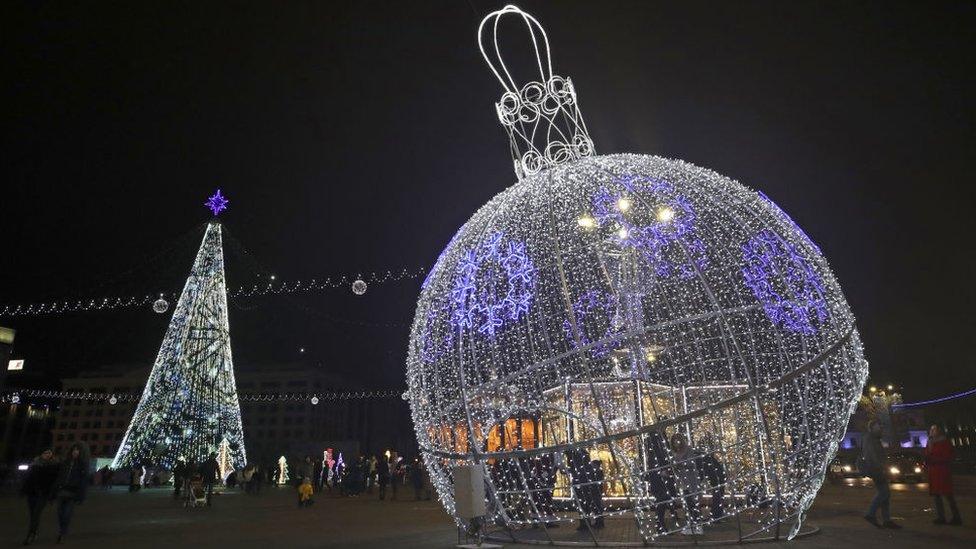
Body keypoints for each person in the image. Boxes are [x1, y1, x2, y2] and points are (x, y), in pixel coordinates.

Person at [861, 420, 900, 529]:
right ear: (872, 427)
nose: (881, 428)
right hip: (876, 469)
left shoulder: (875, 438)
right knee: (884, 492)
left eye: (881, 425)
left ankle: (886, 520)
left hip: (878, 468)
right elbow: (872, 455)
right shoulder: (870, 438)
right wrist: (880, 467)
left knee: (885, 494)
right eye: (878, 426)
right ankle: (870, 513)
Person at [20, 447, 60, 545]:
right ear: (41, 454)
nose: (47, 454)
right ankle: (34, 532)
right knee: (33, 515)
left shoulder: (54, 465)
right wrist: (23, 490)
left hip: (43, 494)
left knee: (35, 515)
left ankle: (30, 535)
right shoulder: (35, 464)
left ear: (52, 455)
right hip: (32, 493)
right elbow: (28, 479)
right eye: (45, 452)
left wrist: (52, 496)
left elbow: (54, 483)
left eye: (49, 452)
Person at [925, 424, 962, 525]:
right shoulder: (930, 442)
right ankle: (941, 517)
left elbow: (948, 456)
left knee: (948, 495)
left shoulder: (944, 442)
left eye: (934, 429)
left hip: (942, 472)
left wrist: (934, 460)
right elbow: (927, 454)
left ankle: (956, 517)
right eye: (931, 429)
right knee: (937, 496)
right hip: (934, 472)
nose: (932, 431)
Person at [54, 443, 90, 544]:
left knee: (67, 514)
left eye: (77, 450)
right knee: (60, 513)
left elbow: (84, 481)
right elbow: (59, 476)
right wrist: (55, 490)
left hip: (72, 493)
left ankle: (62, 532)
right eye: (74, 450)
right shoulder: (65, 462)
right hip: (61, 491)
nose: (75, 452)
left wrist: (81, 495)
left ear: (80, 452)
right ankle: (63, 529)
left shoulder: (82, 464)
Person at [670, 434, 702, 535]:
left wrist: (680, 464)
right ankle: (691, 524)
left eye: (678, 440)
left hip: (691, 479)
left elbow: (691, 462)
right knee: (688, 503)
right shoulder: (675, 452)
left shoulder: (688, 449)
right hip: (683, 481)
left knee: (693, 502)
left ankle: (697, 526)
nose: (676, 443)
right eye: (674, 441)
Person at [697, 437, 726, 521]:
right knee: (718, 491)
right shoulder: (707, 460)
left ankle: (716, 514)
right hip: (716, 477)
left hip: (716, 477)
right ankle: (716, 514)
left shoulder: (706, 460)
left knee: (718, 491)